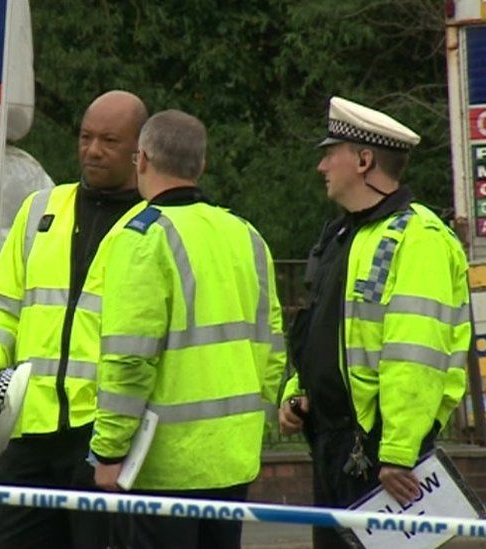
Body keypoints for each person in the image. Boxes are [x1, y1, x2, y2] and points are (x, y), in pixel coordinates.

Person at [278, 97, 470, 548]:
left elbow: (415, 354)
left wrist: (399, 452)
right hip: (335, 446)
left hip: (380, 453)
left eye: (330, 153)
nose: (321, 166)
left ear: (364, 160)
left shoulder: (417, 238)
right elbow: (323, 332)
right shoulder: (342, 234)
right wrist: (298, 394)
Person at [89, 109, 287, 549]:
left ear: (140, 159)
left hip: (163, 465)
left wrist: (108, 451)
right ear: (201, 164)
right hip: (233, 457)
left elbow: (129, 360)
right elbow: (273, 345)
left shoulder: (141, 238)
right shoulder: (245, 234)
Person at [0, 90, 148, 549]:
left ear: (139, 151)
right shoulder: (40, 210)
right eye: (86, 137)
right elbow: (1, 305)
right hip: (31, 430)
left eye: (109, 140)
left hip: (102, 435)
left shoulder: (154, 224)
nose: (92, 150)